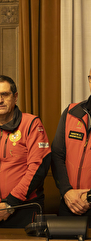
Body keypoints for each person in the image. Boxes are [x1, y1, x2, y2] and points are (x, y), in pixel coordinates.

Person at [0, 75, 51, 228]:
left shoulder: (31, 124)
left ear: (15, 97)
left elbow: (38, 168)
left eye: (5, 94)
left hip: (24, 208)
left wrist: (11, 203)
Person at [52, 68, 91, 219]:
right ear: (89, 80)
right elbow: (57, 155)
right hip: (70, 204)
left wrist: (88, 197)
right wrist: (67, 191)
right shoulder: (71, 112)